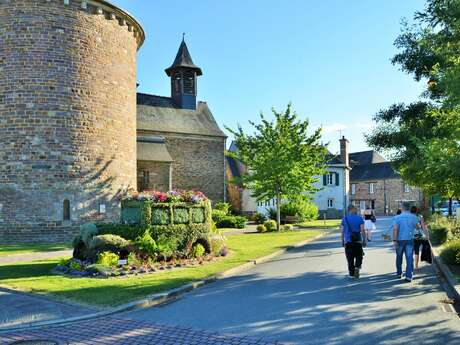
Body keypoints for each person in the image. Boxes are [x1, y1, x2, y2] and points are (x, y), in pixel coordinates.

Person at [393, 202, 421, 282]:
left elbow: (395, 229)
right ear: (409, 208)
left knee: (399, 256)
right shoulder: (414, 217)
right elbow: (418, 227)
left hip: (399, 240)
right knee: (409, 257)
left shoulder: (397, 217)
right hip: (409, 239)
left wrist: (394, 240)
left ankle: (399, 273)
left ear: (402, 208)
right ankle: (409, 276)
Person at [341, 205, 366, 278]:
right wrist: (364, 239)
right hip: (357, 240)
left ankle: (351, 274)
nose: (357, 210)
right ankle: (357, 267)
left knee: (350, 258)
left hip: (348, 241)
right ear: (352, 209)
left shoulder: (344, 219)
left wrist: (342, 241)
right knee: (359, 255)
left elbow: (342, 231)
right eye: (356, 209)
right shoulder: (359, 218)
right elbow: (362, 230)